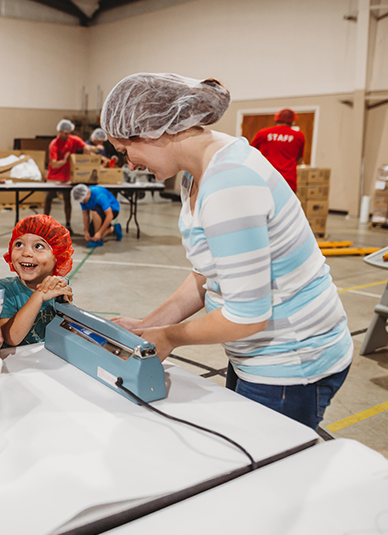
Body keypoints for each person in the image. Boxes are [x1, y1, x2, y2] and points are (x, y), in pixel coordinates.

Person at [101, 73, 351, 430]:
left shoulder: (228, 184)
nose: (130, 165)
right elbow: (209, 273)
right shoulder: (196, 171)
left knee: (264, 474)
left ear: (153, 131)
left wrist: (169, 337)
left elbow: (247, 316)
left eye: (126, 151)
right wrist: (149, 325)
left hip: (289, 362)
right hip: (257, 353)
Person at [0, 215, 74, 347]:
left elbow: (72, 331)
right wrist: (39, 295)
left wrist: (67, 306)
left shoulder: (59, 285)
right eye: (19, 244)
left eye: (39, 246)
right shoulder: (5, 288)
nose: (26, 253)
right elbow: (10, 338)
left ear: (58, 256)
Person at [44, 119, 86, 233]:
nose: (68, 136)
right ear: (60, 132)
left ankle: (68, 223)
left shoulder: (73, 140)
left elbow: (85, 147)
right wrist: (64, 160)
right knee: (48, 199)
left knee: (67, 200)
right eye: (65, 133)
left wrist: (96, 148)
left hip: (67, 177)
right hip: (54, 177)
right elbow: (53, 164)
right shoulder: (54, 144)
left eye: (69, 133)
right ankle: (44, 224)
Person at [251, 108, 305, 191]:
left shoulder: (263, 133)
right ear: (292, 121)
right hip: (288, 182)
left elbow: (251, 153)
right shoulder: (298, 136)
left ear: (276, 119)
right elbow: (298, 159)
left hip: (266, 179)